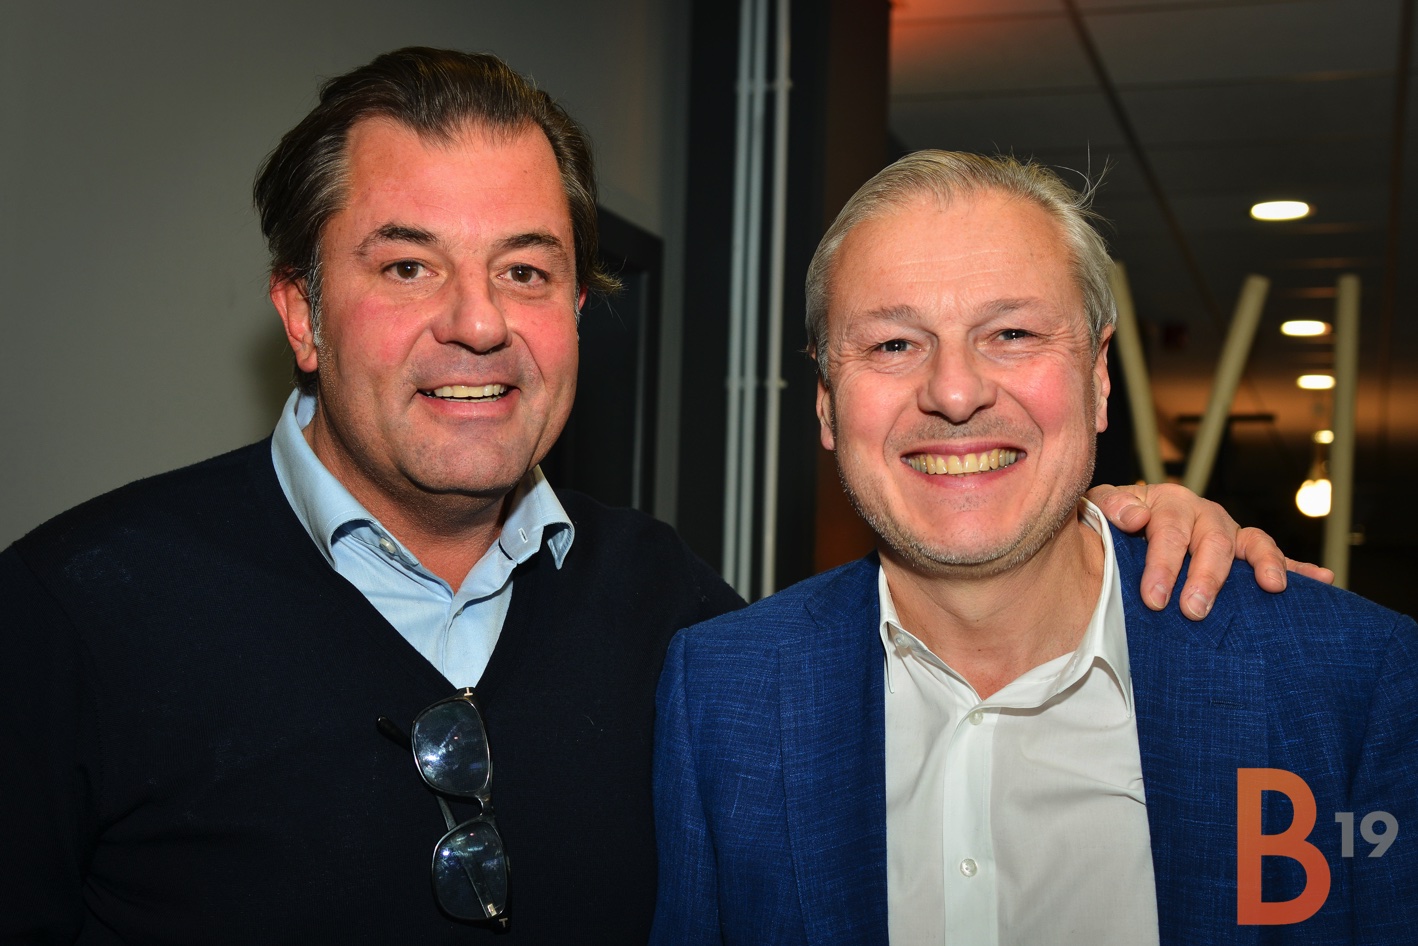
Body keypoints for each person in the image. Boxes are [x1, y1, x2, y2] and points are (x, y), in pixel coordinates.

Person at [0, 51, 1310, 945]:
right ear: (300, 311)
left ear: (576, 308)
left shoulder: (679, 618)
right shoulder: (70, 613)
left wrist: (1110, 535)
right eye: (406, 267)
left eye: (526, 270)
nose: (476, 322)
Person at [651, 151, 1416, 946]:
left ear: (1099, 378)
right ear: (826, 405)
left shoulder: (1350, 682)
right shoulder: (721, 697)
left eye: (1012, 333)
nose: (955, 392)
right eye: (893, 345)